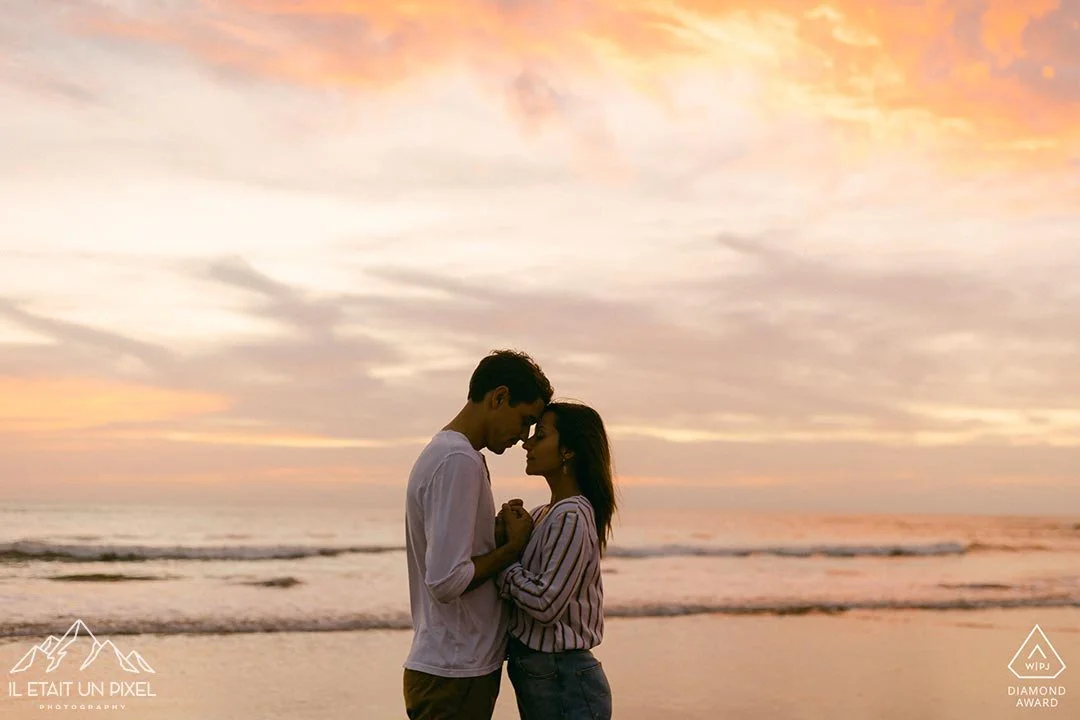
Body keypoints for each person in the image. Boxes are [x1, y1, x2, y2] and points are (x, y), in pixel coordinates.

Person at [403, 349, 554, 720]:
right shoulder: (458, 460)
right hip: (455, 671)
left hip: (452, 666)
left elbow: (453, 560)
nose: (522, 437)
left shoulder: (451, 454)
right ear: (498, 397)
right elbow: (446, 580)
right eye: (524, 420)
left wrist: (495, 537)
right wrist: (513, 548)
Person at [494, 401, 618, 720]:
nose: (527, 442)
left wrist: (503, 562)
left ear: (568, 451)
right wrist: (505, 533)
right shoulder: (544, 514)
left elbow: (545, 604)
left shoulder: (572, 516)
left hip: (565, 679)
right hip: (548, 675)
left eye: (541, 435)